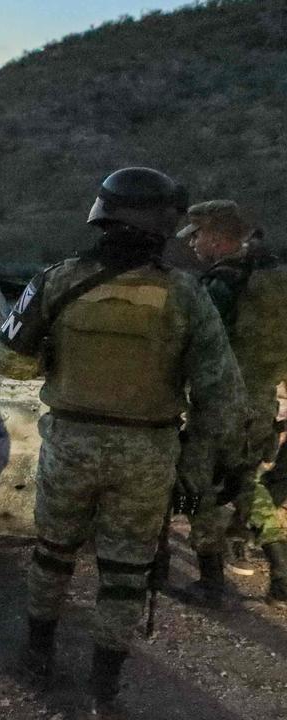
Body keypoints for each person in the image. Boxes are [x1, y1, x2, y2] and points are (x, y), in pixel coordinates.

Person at [0, 168, 243, 716]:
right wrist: (196, 468)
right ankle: (104, 692)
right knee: (126, 573)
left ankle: (37, 656)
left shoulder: (55, 279)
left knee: (53, 554)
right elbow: (222, 397)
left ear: (100, 214)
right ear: (163, 226)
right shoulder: (186, 293)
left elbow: (9, 358)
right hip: (148, 453)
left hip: (71, 444)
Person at [178, 200, 287, 607]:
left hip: (220, 405)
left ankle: (211, 584)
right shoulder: (274, 276)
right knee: (246, 485)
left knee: (200, 490)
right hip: (261, 405)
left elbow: (202, 344)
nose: (192, 243)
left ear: (219, 237)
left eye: (197, 234)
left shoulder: (224, 282)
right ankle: (281, 576)